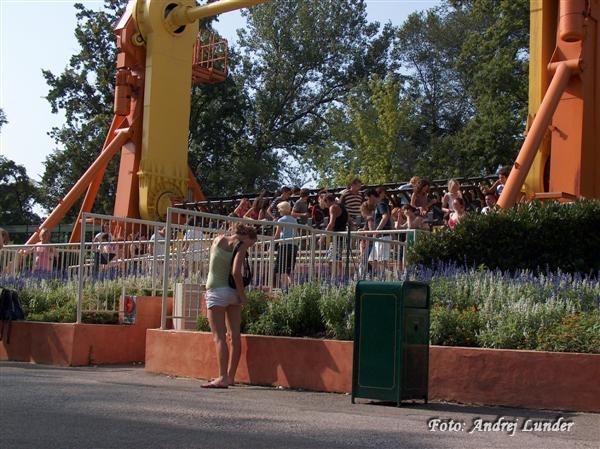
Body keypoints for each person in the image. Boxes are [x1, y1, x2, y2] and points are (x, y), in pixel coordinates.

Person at [202, 223, 258, 389]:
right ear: (247, 237)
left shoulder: (218, 240)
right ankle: (230, 377)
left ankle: (222, 377)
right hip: (233, 293)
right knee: (234, 336)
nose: (250, 247)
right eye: (251, 243)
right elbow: (235, 272)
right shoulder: (241, 246)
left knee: (219, 337)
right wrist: (242, 296)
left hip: (215, 291)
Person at [273, 201, 298, 289]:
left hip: (284, 245)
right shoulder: (294, 220)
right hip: (293, 245)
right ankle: (292, 287)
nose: (278, 211)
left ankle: (284, 288)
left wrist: (271, 245)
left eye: (279, 209)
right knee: (289, 269)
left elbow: (277, 235)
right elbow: (296, 233)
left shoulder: (281, 220)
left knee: (280, 268)